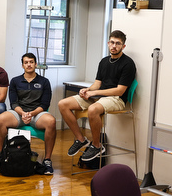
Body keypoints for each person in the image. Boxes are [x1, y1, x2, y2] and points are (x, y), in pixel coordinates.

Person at [58, 30, 136, 161]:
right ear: (108, 43)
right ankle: (81, 139)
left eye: (118, 43)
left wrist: (95, 92)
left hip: (116, 99)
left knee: (93, 109)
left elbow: (119, 91)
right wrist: (87, 90)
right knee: (63, 104)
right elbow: (97, 84)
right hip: (100, 97)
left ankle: (97, 145)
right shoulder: (104, 61)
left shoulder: (128, 64)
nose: (114, 46)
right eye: (112, 42)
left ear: (123, 46)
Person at [0, 53, 55, 175]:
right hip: (19, 113)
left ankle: (47, 160)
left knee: (51, 121)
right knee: (0, 119)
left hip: (37, 114)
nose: (29, 64)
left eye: (31, 62)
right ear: (22, 65)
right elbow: (14, 103)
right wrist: (24, 113)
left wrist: (31, 113)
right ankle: (2, 155)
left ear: (35, 64)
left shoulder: (44, 82)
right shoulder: (15, 81)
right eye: (26, 62)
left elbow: (45, 104)